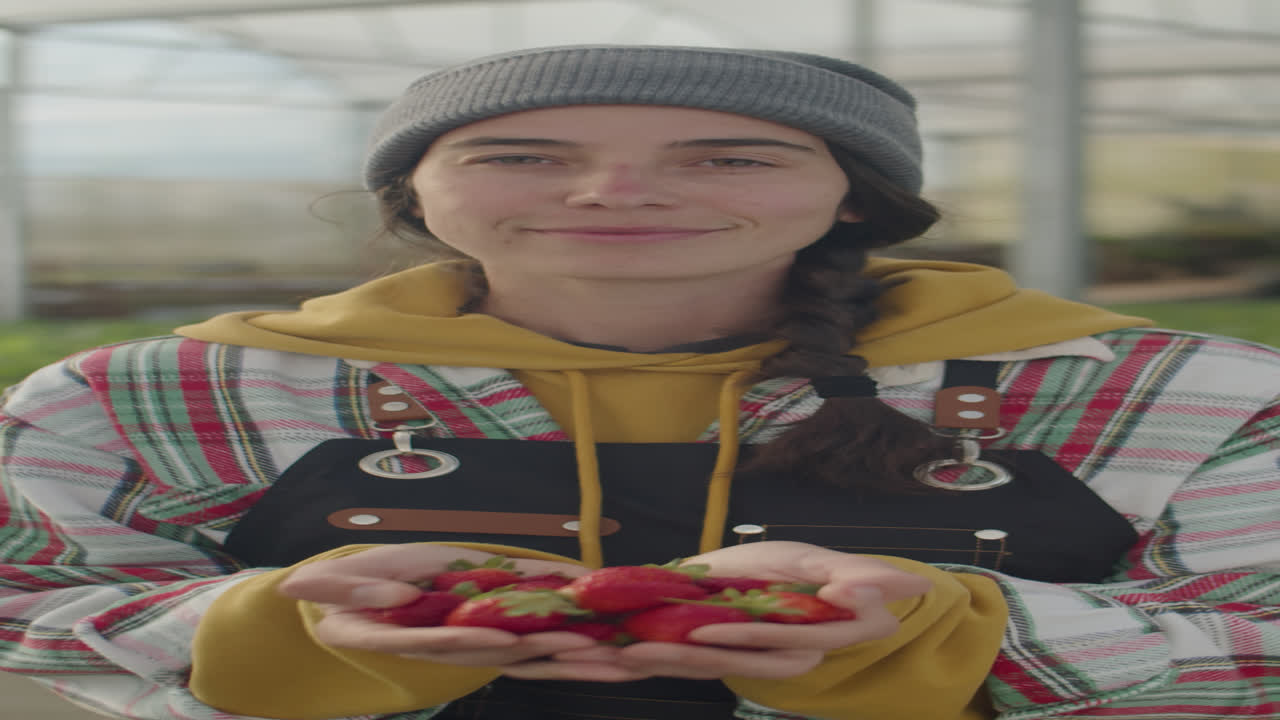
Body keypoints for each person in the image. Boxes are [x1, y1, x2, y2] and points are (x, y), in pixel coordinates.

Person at [1, 44, 1277, 720]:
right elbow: (26, 610)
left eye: (728, 158)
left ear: (854, 194)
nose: (614, 191)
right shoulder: (142, 395)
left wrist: (965, 631)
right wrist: (256, 630)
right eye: (522, 152)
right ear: (416, 199)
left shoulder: (1187, 393)